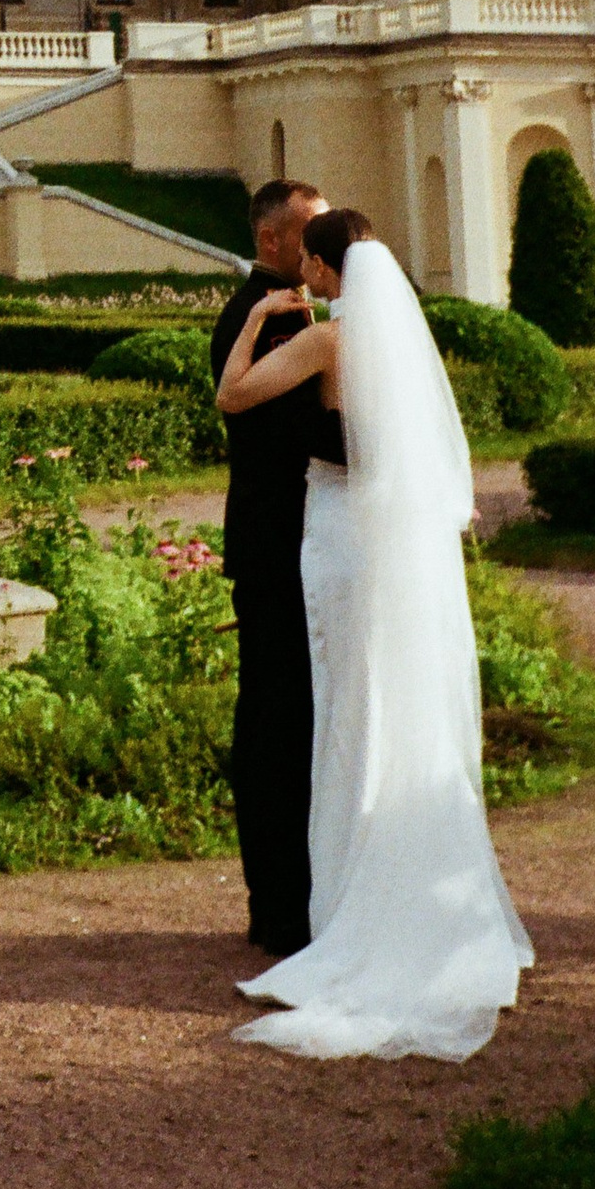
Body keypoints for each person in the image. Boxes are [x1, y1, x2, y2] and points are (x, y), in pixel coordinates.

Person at [218, 208, 534, 1061]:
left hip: (340, 539)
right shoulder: (402, 341)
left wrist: (252, 319)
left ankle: (351, 908)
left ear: (323, 269)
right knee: (397, 705)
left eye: (312, 268)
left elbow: (232, 394)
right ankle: (426, 896)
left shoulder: (330, 339)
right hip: (393, 540)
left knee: (350, 709)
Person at [210, 176, 336, 958]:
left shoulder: (293, 314)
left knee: (289, 721)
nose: (320, 249)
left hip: (291, 543)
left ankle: (290, 898)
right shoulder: (262, 318)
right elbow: (293, 436)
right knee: (277, 726)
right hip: (276, 547)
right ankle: (279, 907)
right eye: (310, 235)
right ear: (272, 242)